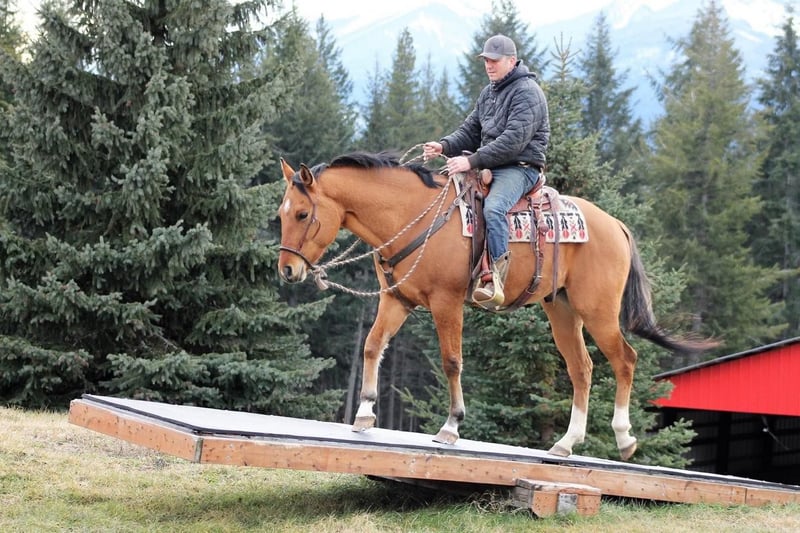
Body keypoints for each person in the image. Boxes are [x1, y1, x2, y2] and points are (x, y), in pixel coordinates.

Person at [424, 34, 550, 308]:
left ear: (511, 61)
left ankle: (496, 279)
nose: (489, 66)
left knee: (493, 209)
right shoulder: (489, 92)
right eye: (486, 61)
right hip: (491, 164)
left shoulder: (528, 92)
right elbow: (470, 131)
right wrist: (443, 145)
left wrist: (471, 161)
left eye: (494, 61)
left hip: (520, 167)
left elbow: (513, 141)